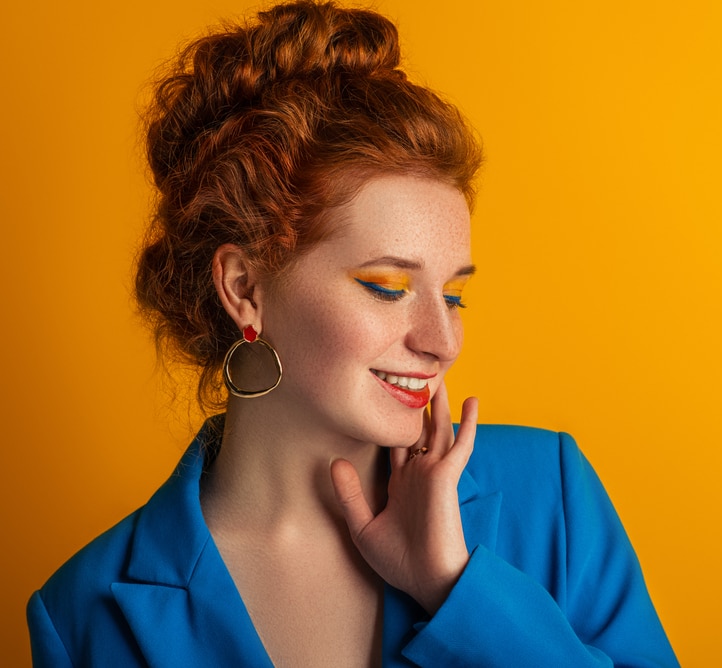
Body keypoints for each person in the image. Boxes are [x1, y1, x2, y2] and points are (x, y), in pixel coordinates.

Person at [26, 1, 679, 665]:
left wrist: (459, 590)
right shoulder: (82, 616)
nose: (442, 340)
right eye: (388, 288)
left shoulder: (551, 502)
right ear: (245, 291)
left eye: (453, 295)